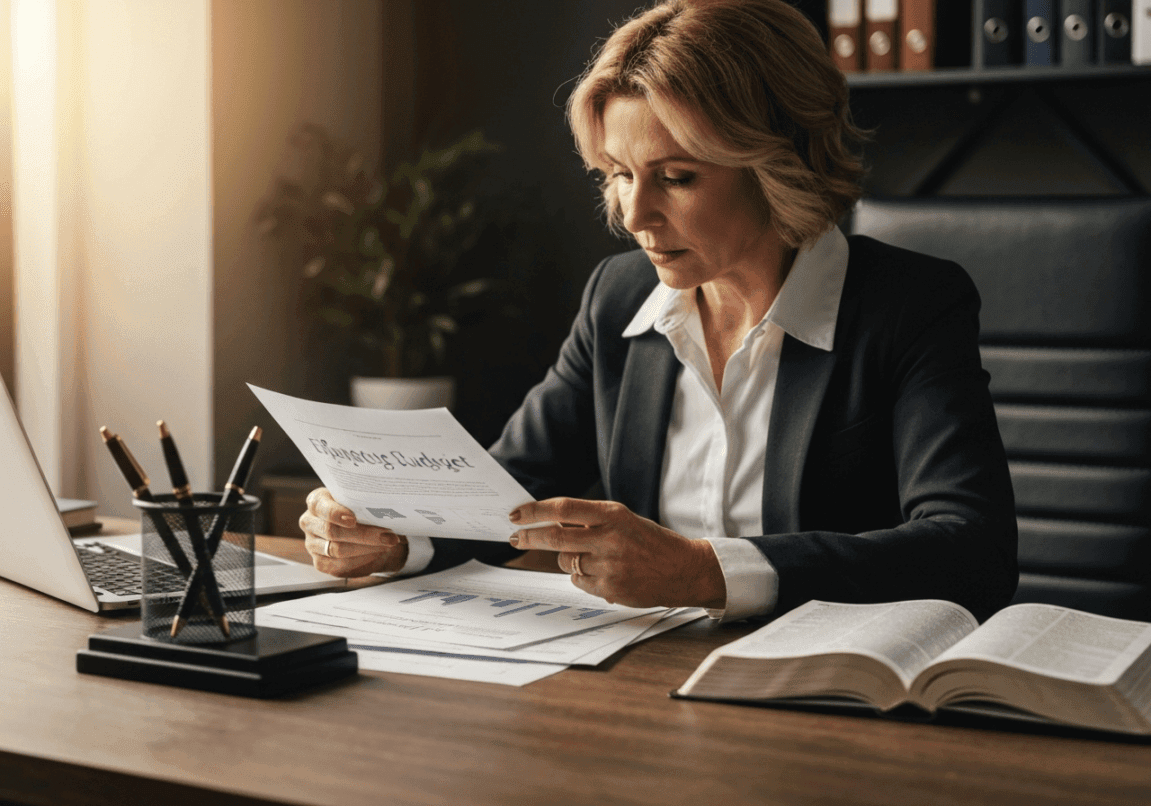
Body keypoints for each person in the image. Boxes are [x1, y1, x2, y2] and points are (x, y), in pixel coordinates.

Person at [300, 0, 1018, 622]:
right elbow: (504, 498)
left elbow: (969, 546)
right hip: (645, 681)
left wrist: (705, 572)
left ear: (776, 163)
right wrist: (396, 536)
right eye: (616, 176)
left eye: (675, 177)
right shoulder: (617, 297)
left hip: (828, 697)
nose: (633, 215)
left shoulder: (909, 306)